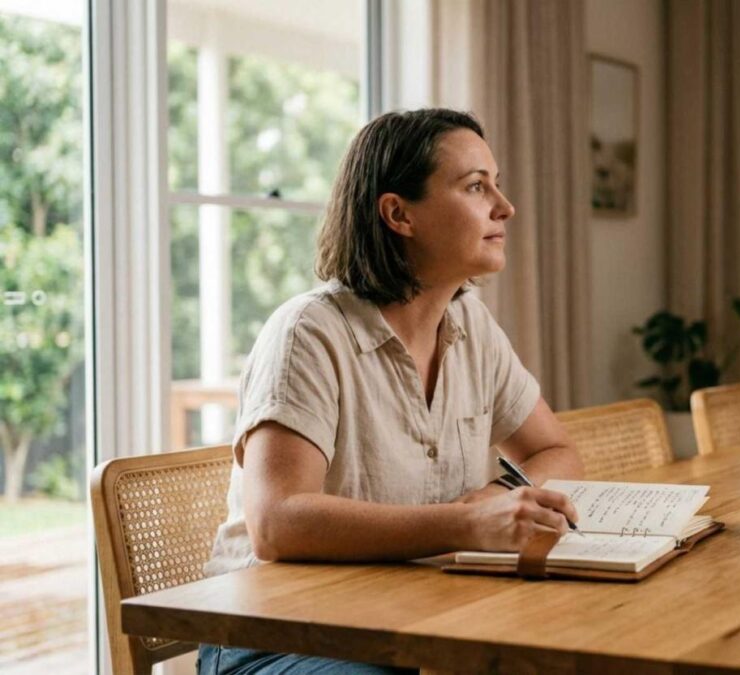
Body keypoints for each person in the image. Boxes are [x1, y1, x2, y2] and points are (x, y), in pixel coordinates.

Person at [198, 109, 584, 675]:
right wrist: (466, 524)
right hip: (277, 637)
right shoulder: (308, 332)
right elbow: (277, 523)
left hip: (415, 616)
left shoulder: (472, 326)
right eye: (476, 186)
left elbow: (556, 451)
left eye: (495, 185)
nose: (505, 207)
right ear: (398, 213)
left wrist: (499, 499)